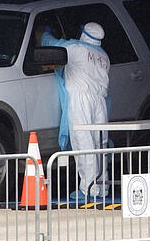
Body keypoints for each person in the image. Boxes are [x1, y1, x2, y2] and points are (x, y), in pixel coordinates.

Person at [41, 22, 110, 200]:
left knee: (83, 142)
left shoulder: (75, 48)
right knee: (99, 144)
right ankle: (102, 188)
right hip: (100, 102)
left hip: (82, 100)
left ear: (84, 33)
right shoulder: (104, 56)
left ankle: (88, 189)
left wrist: (45, 34)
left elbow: (53, 46)